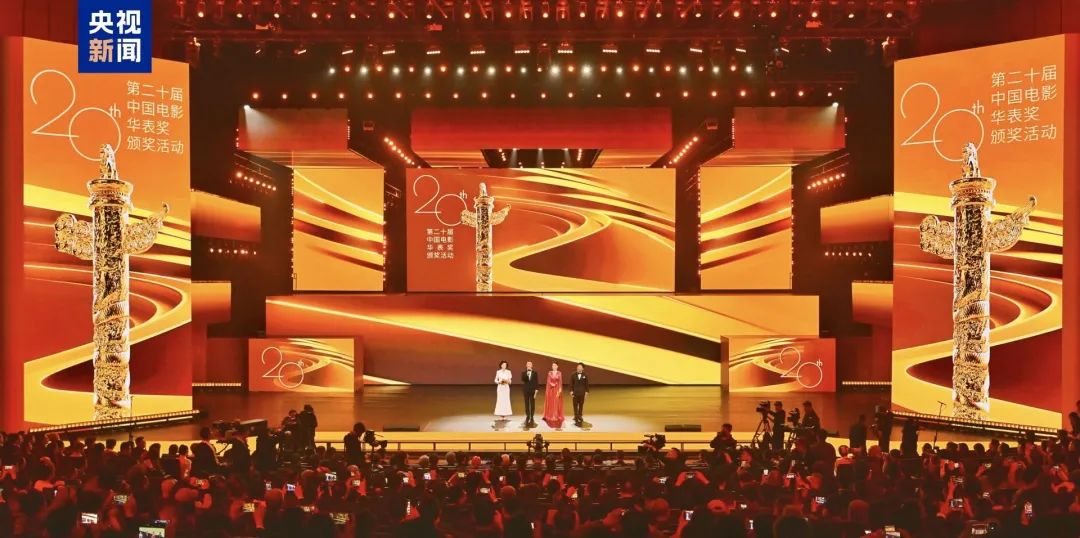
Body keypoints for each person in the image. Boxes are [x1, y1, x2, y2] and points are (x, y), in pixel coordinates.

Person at [543, 362, 565, 428]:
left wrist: (560, 390)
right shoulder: (550, 373)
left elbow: (560, 382)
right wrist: (553, 384)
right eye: (553, 365)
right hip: (551, 390)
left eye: (555, 365)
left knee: (557, 402)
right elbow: (548, 381)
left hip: (557, 389)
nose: (553, 366)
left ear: (557, 366)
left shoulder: (559, 373)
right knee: (551, 402)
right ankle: (550, 415)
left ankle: (556, 415)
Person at [521, 361, 540, 428]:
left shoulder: (535, 373)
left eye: (530, 364)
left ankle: (532, 416)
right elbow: (523, 379)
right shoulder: (523, 373)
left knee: (532, 404)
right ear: (526, 365)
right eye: (528, 364)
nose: (529, 365)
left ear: (532, 365)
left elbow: (536, 382)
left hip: (532, 391)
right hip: (526, 391)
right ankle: (528, 416)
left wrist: (536, 390)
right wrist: (527, 373)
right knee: (526, 404)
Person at [570, 362, 590, 427]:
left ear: (582, 368)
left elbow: (587, 384)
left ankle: (580, 415)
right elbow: (571, 384)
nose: (578, 368)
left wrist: (586, 392)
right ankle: (575, 416)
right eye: (578, 367)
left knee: (581, 405)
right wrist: (571, 391)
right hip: (575, 393)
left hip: (582, 393)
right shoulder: (573, 374)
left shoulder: (585, 375)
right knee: (575, 405)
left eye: (580, 367)